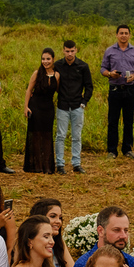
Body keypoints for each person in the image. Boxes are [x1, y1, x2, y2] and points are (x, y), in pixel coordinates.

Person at [68, 206, 134, 267]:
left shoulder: (131, 263)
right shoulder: (82, 266)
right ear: (100, 231)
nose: (124, 236)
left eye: (126, 230)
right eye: (117, 230)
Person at [101, 23, 134, 160]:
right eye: (121, 33)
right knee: (113, 120)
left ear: (129, 35)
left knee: (129, 120)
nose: (124, 35)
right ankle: (112, 151)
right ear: (116, 35)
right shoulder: (110, 51)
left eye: (126, 33)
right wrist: (110, 74)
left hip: (130, 89)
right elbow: (103, 69)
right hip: (114, 88)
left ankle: (127, 149)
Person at [53, 39, 93, 175]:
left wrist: (84, 102)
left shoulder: (83, 66)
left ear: (76, 50)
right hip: (62, 105)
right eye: (67, 51)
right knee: (60, 136)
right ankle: (60, 164)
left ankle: (76, 163)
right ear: (63, 50)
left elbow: (89, 86)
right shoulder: (57, 65)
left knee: (76, 136)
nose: (69, 54)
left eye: (72, 51)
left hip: (77, 105)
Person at [23, 47, 58, 174]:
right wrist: (26, 107)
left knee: (47, 135)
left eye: (48, 59)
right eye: (43, 59)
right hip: (35, 106)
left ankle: (47, 165)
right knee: (36, 135)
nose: (45, 61)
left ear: (53, 59)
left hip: (48, 108)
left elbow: (58, 91)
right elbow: (29, 90)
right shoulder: (36, 73)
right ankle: (36, 165)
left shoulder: (57, 75)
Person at [30, 197, 75, 267]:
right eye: (53, 216)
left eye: (60, 217)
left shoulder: (58, 242)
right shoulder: (32, 245)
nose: (58, 221)